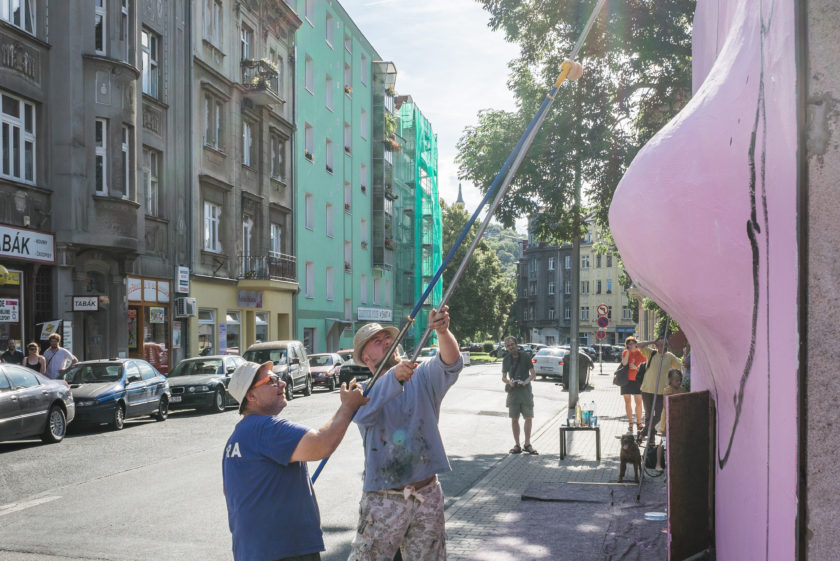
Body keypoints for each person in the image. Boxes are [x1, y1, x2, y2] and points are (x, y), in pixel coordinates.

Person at [222, 360, 369, 561]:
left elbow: (229, 490)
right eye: (271, 381)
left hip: (253, 551)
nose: (282, 384)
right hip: (286, 550)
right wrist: (348, 407)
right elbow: (321, 444)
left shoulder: (237, 437)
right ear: (251, 396)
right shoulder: (266, 427)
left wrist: (345, 407)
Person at [348, 306, 462, 561]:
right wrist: (393, 379)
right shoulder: (361, 393)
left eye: (388, 337)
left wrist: (442, 332)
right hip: (383, 499)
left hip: (426, 494)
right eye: (377, 342)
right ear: (366, 359)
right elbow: (361, 414)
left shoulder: (420, 376)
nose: (387, 341)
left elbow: (451, 363)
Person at [637, 337, 683, 442]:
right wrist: (653, 341)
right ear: (656, 346)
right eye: (661, 344)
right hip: (647, 390)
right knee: (648, 415)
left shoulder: (669, 356)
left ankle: (643, 433)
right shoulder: (651, 353)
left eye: (665, 344)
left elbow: (679, 366)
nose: (664, 347)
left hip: (661, 392)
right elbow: (638, 345)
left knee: (658, 415)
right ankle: (651, 439)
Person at [501, 336, 538, 455]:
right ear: (506, 348)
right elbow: (503, 377)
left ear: (516, 344)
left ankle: (527, 444)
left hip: (525, 391)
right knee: (514, 419)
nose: (510, 347)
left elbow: (533, 374)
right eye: (508, 346)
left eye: (512, 344)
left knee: (528, 418)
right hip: (513, 392)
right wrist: (509, 382)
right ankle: (517, 445)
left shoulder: (525, 356)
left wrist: (525, 382)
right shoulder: (506, 359)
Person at [655, 369, 685, 470]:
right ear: (670, 380)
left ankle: (672, 463)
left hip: (677, 418)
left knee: (674, 441)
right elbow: (666, 405)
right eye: (676, 380)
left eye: (679, 379)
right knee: (663, 441)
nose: (678, 382)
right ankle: (658, 463)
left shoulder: (681, 389)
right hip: (668, 418)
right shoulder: (668, 390)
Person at [620, 336, 646, 434]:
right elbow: (624, 363)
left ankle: (639, 423)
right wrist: (627, 351)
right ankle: (630, 423)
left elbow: (645, 369)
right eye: (628, 344)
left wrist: (636, 368)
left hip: (637, 380)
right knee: (627, 402)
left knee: (638, 402)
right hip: (626, 381)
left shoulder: (641, 353)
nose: (630, 345)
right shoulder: (625, 352)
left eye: (632, 343)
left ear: (636, 344)